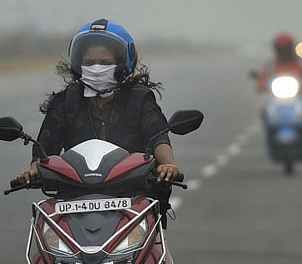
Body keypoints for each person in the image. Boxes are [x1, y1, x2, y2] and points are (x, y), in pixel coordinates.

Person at [16, 19, 180, 185]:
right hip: (74, 194)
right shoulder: (66, 101)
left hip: (134, 191)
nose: (96, 68)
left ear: (123, 62)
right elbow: (45, 150)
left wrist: (168, 164)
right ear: (78, 64)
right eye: (89, 63)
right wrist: (34, 170)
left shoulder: (138, 98)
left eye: (105, 63)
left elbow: (158, 136)